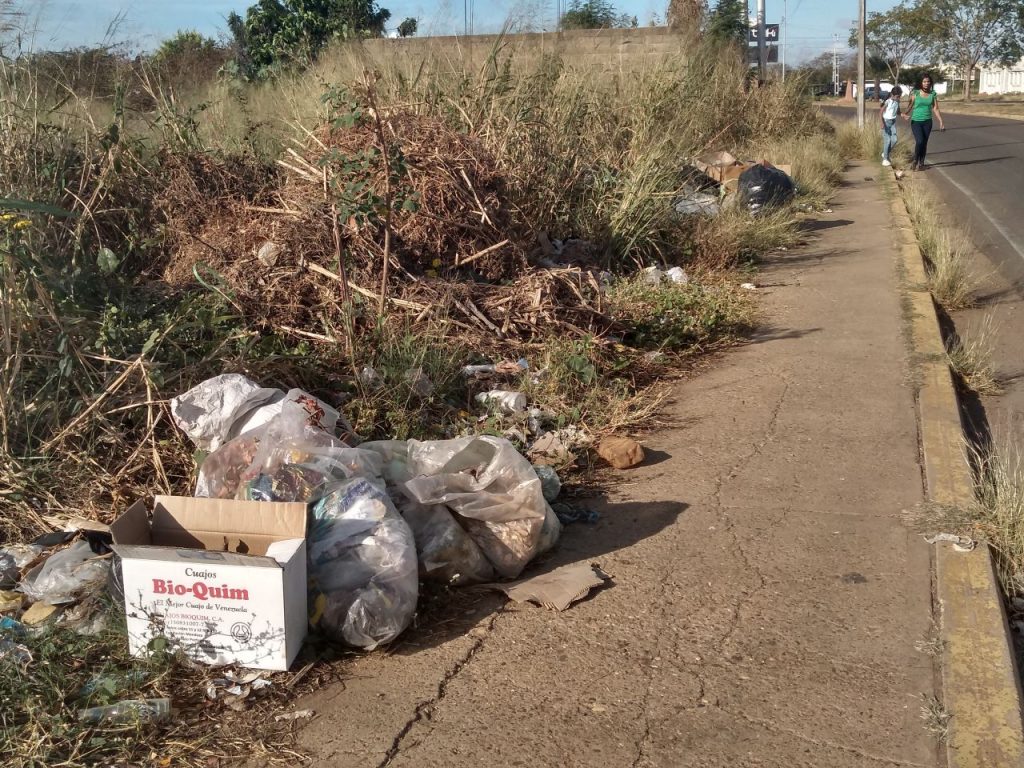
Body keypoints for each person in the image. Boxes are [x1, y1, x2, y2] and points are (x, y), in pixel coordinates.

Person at [903, 75, 945, 170]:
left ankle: (921, 163)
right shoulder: (916, 93)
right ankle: (915, 160)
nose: (926, 83)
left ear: (930, 83)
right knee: (920, 141)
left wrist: (941, 121)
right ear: (921, 83)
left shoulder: (933, 94)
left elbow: (935, 108)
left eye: (928, 81)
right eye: (924, 82)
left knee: (924, 143)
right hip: (916, 121)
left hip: (927, 122)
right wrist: (904, 114)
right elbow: (910, 105)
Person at [880, 86, 903, 167]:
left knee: (894, 140)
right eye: (897, 96)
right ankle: (885, 159)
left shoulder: (897, 102)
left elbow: (898, 112)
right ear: (892, 95)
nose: (898, 98)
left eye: (899, 96)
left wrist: (903, 115)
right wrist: (882, 123)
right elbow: (881, 112)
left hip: (893, 122)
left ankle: (885, 153)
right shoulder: (888, 102)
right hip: (886, 122)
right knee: (888, 140)